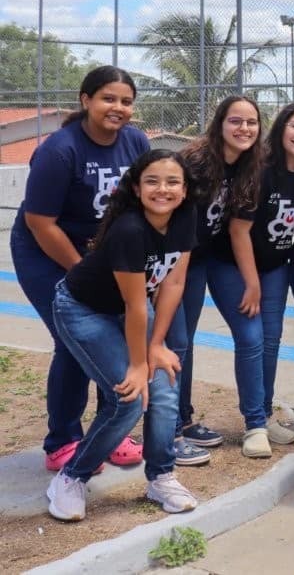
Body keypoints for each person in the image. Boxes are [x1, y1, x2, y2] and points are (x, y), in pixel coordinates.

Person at [45, 149, 199, 521]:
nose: (162, 189)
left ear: (184, 190)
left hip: (129, 308)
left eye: (172, 182)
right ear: (135, 187)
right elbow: (133, 305)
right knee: (128, 398)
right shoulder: (130, 230)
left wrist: (158, 345)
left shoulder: (185, 216)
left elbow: (174, 281)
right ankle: (70, 478)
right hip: (83, 308)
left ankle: (161, 476)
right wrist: (138, 363)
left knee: (163, 387)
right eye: (152, 181)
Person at [12, 66, 149, 473]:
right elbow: (41, 223)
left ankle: (111, 431)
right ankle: (63, 440)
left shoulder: (136, 141)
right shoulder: (59, 150)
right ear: (86, 100)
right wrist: (80, 274)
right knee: (73, 341)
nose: (118, 108)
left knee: (118, 338)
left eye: (126, 101)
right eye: (108, 98)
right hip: (46, 252)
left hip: (103, 255)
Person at [171, 95, 264, 465]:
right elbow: (167, 217)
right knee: (180, 341)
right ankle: (173, 428)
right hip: (183, 259)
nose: (244, 129)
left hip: (217, 256)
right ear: (220, 123)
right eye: (236, 121)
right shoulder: (195, 160)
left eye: (251, 122)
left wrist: (252, 282)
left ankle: (254, 423)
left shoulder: (251, 166)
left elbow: (240, 230)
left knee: (251, 333)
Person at [241, 103, 294, 454]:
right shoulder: (260, 170)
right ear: (280, 128)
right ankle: (254, 421)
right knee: (254, 339)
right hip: (244, 266)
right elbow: (239, 231)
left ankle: (262, 416)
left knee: (272, 340)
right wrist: (251, 280)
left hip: (277, 265)